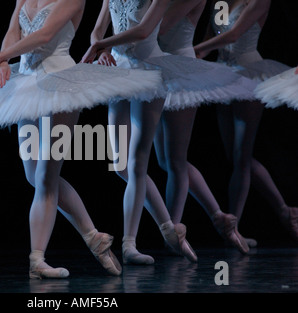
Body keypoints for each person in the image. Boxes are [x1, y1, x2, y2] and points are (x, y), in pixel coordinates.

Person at [0, 0, 165, 279]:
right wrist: (5, 58)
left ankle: (37, 260)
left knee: (46, 175)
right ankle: (94, 236)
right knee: (33, 175)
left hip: (60, 86)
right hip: (27, 84)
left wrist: (0, 57)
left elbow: (44, 35)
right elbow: (14, 29)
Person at [82, 0, 256, 262]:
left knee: (166, 159)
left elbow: (151, 30)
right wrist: (103, 45)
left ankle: (145, 239)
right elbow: (103, 28)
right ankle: (175, 226)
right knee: (128, 164)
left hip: (163, 67)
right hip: (124, 66)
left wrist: (105, 43)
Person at [194, 0, 298, 245]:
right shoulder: (219, 2)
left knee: (242, 156)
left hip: (249, 72)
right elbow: (212, 38)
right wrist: (189, 58)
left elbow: (233, 35)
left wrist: (194, 49)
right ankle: (285, 210)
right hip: (223, 74)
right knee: (235, 157)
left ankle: (234, 227)